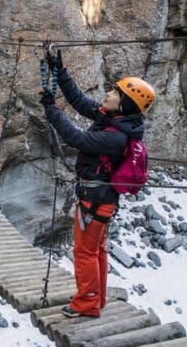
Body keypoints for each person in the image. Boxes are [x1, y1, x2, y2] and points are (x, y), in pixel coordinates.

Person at [39, 50, 155, 318]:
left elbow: (76, 138)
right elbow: (79, 102)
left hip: (96, 201)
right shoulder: (113, 119)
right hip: (102, 199)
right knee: (96, 250)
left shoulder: (116, 137)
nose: (109, 94)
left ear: (125, 104)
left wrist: (51, 110)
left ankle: (87, 304)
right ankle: (97, 299)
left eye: (116, 93)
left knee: (84, 253)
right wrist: (60, 70)